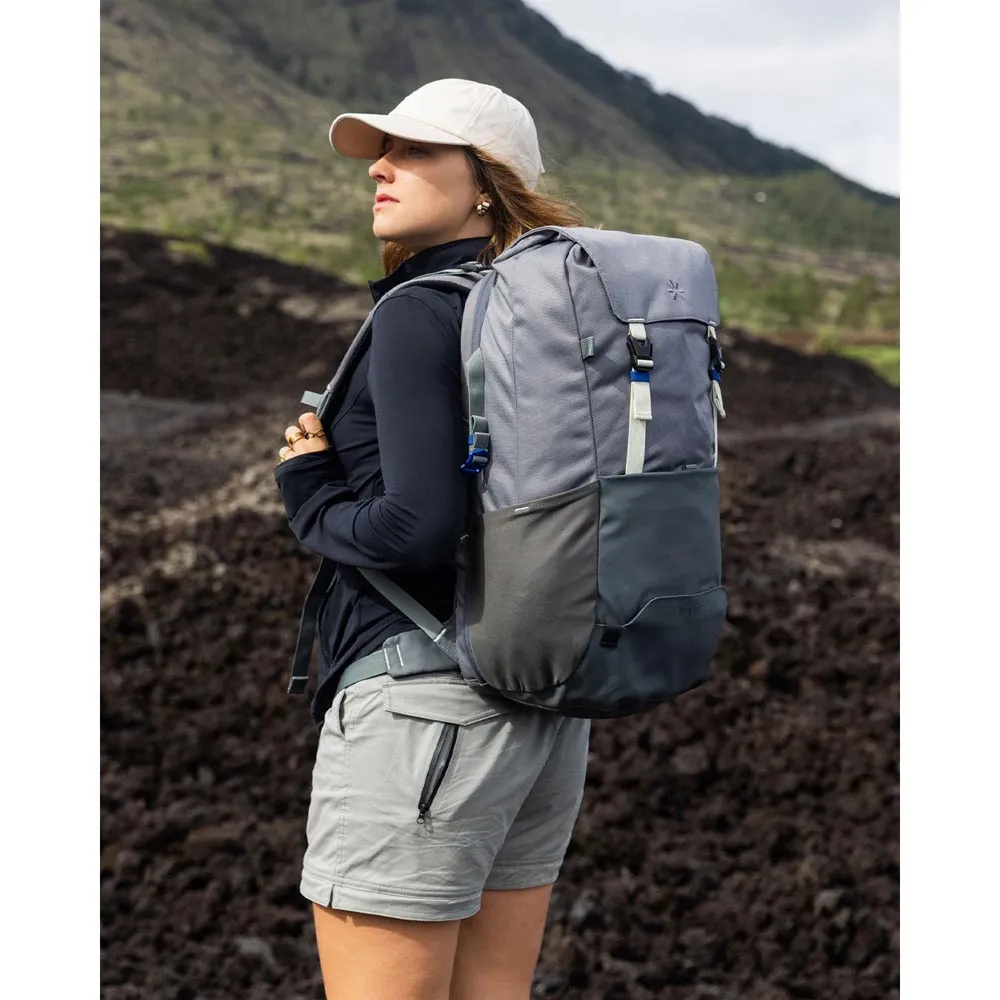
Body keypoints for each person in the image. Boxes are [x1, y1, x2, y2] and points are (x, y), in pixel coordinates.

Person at [273, 79, 591, 1000]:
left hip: (421, 713)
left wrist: (309, 493)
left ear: (487, 181)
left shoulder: (419, 309)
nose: (381, 167)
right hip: (539, 711)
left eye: (414, 150)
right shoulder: (545, 312)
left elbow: (415, 527)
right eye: (384, 150)